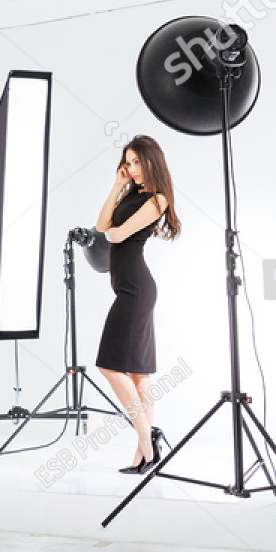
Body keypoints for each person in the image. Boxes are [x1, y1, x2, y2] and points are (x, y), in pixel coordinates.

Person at [95, 135, 180, 473]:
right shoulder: (130, 193)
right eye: (126, 162)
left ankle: (147, 437)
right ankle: (144, 455)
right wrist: (117, 186)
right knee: (139, 371)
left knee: (108, 366)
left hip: (136, 289)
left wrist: (114, 231)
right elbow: (102, 226)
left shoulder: (158, 199)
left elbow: (115, 235)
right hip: (129, 289)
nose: (129, 168)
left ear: (150, 162)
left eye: (134, 162)